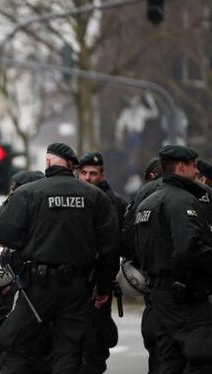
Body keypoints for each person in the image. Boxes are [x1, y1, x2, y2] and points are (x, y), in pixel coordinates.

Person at [0, 143, 118, 374]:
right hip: (78, 286)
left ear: (48, 162)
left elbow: (5, 234)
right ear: (73, 166)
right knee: (68, 349)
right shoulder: (95, 196)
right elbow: (109, 247)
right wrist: (103, 286)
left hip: (36, 285)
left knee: (16, 340)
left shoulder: (28, 193)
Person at [134, 144, 212, 374]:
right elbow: (189, 248)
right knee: (201, 357)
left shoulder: (146, 202)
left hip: (159, 295)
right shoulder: (182, 201)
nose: (197, 171)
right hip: (186, 296)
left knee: (170, 360)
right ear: (181, 167)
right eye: (193, 166)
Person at [0, 170, 49, 374]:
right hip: (14, 292)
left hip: (43, 292)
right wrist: (0, 285)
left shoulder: (45, 214)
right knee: (13, 349)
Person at [76, 152, 125, 374]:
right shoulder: (74, 199)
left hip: (97, 283)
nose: (87, 178)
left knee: (94, 345)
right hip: (74, 282)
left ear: (102, 175)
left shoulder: (113, 203)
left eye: (92, 173)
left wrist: (103, 285)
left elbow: (113, 248)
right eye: (83, 173)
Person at [121, 157, 163, 374]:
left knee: (158, 347)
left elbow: (127, 237)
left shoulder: (144, 195)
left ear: (151, 177)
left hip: (157, 284)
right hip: (197, 289)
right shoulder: (199, 190)